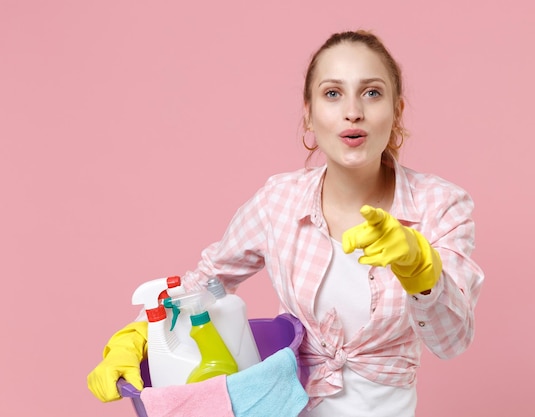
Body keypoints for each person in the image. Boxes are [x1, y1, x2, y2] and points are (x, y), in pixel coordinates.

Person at [88, 30, 484, 416]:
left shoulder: (441, 205)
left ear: (396, 112)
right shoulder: (278, 201)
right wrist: (139, 335)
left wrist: (420, 269)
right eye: (333, 93)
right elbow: (204, 283)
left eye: (372, 92)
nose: (353, 111)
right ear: (309, 114)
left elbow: (452, 341)